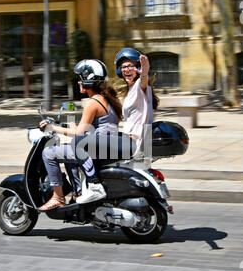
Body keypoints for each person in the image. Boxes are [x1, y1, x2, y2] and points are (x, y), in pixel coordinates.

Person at [38, 59, 122, 211]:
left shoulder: (93, 103)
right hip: (104, 147)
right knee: (68, 151)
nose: (79, 82)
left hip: (96, 151)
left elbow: (79, 134)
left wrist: (52, 127)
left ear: (89, 80)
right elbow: (92, 130)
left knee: (48, 153)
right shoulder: (107, 100)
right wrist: (74, 127)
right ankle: (77, 192)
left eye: (81, 79)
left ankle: (58, 197)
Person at [114, 48, 159, 159]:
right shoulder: (130, 91)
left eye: (130, 66)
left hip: (137, 144)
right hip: (131, 144)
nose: (126, 70)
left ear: (137, 68)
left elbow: (143, 80)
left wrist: (144, 73)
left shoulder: (140, 87)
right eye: (123, 67)